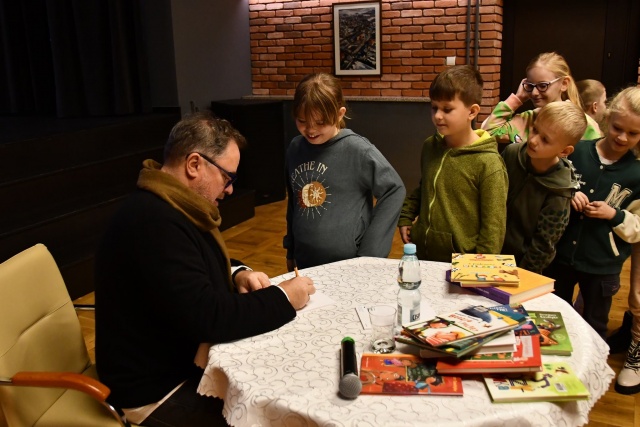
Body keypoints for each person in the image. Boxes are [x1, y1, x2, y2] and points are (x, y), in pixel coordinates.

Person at [94, 112, 316, 427]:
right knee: (269, 417)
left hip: (175, 363)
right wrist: (284, 297)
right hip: (154, 392)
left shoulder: (170, 205)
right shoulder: (152, 222)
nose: (229, 190)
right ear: (194, 164)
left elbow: (194, 264)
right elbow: (211, 317)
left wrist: (237, 273)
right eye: (228, 177)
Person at [544, 86, 640, 341]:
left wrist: (615, 215)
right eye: (617, 128)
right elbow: (547, 183)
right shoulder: (576, 151)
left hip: (603, 265)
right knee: (552, 318)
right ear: (607, 119)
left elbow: (638, 227)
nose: (622, 138)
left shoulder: (637, 173)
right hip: (559, 256)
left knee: (595, 324)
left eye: (633, 133)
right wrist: (568, 193)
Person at [284, 73, 405, 270]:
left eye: (320, 122)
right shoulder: (295, 148)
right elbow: (293, 203)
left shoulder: (359, 150)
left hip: (350, 265)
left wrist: (371, 254)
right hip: (304, 261)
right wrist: (290, 249)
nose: (311, 130)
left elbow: (394, 190)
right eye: (302, 121)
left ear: (340, 114)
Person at [398, 65, 508, 261]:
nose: (438, 116)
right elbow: (425, 187)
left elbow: (493, 227)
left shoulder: (489, 163)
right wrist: (406, 215)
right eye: (434, 108)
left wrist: (479, 267)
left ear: (472, 112)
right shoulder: (430, 146)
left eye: (447, 109)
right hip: (423, 256)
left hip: (462, 264)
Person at [501, 101, 586, 274]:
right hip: (486, 252)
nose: (533, 140)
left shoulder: (560, 191)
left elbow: (544, 245)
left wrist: (523, 275)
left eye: (545, 140)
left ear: (564, 151)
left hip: (519, 265)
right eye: (535, 130)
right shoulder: (511, 153)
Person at [481, 52, 601, 146]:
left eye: (543, 86)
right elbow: (488, 132)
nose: (534, 93)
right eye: (530, 86)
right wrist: (518, 98)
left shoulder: (583, 124)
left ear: (564, 84)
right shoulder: (527, 119)